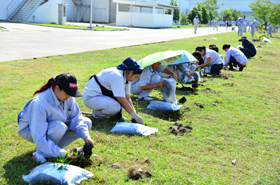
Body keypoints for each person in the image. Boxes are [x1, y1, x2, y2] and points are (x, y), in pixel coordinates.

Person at [17, 73, 94, 163]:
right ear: (57, 88)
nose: (69, 97)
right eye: (67, 93)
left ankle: (52, 150)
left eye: (71, 94)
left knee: (86, 122)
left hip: (53, 125)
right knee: (59, 127)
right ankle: (39, 152)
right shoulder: (39, 103)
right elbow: (39, 137)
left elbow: (77, 119)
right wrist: (65, 154)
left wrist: (86, 137)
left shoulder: (67, 97)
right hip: (30, 130)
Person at [83, 58, 144, 123]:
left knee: (121, 106)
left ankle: (112, 114)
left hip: (102, 96)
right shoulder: (117, 76)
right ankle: (97, 114)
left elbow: (127, 98)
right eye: (136, 77)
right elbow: (121, 100)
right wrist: (135, 116)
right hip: (91, 97)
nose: (135, 79)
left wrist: (135, 114)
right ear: (131, 72)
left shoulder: (126, 77)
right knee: (115, 107)